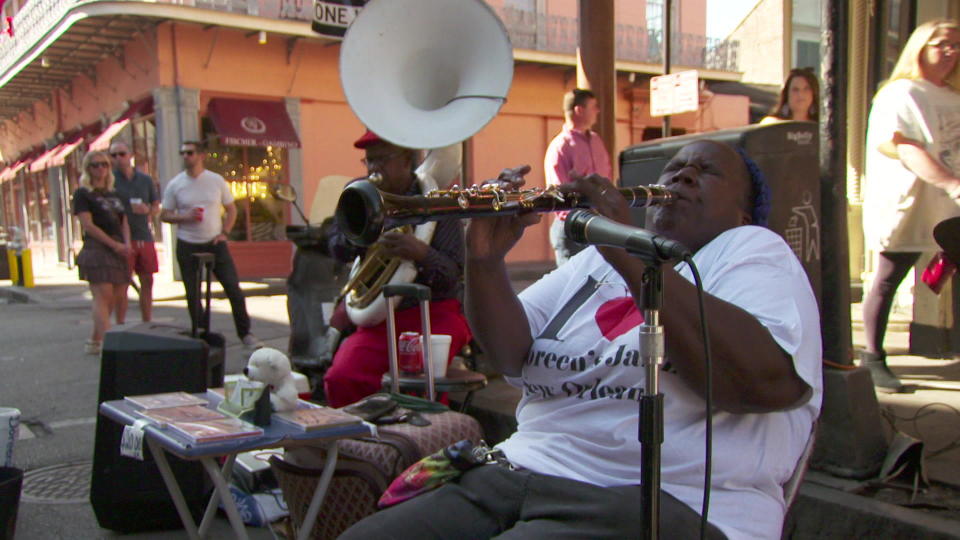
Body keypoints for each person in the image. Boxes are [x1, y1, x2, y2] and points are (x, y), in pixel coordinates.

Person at [340, 140, 822, 540]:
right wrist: (483, 261)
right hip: (520, 470)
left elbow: (763, 384)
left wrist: (626, 253)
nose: (682, 178)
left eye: (706, 172)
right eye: (675, 169)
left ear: (743, 213)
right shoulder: (596, 261)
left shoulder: (750, 250)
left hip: (662, 498)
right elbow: (511, 352)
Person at [322, 130, 472, 408]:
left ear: (406, 159)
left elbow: (453, 275)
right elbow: (336, 247)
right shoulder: (360, 193)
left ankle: (417, 442)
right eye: (369, 161)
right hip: (382, 318)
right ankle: (359, 445)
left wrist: (421, 253)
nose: (374, 169)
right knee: (341, 377)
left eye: (382, 159)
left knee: (417, 387)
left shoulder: (437, 200)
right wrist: (361, 234)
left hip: (434, 314)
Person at [861, 19, 960, 392]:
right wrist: (951, 183)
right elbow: (903, 146)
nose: (951, 52)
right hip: (913, 205)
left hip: (950, 208)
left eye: (957, 45)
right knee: (889, 278)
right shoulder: (899, 94)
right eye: (942, 44)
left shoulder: (954, 95)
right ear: (920, 47)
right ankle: (872, 358)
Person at [160, 140, 264, 349]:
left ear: (201, 155)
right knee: (193, 292)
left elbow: (232, 209)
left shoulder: (215, 181)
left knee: (233, 289)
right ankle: (200, 335)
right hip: (187, 243)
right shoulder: (176, 184)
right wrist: (184, 217)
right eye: (183, 153)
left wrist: (225, 232)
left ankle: (246, 334)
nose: (186, 156)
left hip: (215, 242)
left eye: (190, 152)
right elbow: (164, 215)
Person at [72, 150, 131, 356]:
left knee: (116, 296)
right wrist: (114, 246)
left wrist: (126, 245)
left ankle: (94, 339)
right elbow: (88, 225)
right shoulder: (83, 194)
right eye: (95, 165)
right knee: (102, 294)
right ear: (87, 169)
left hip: (118, 247)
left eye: (104, 164)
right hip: (97, 248)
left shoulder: (115, 194)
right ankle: (108, 344)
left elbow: (123, 222)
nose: (101, 169)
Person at [544, 88, 613, 265]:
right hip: (573, 228)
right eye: (594, 106)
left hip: (599, 224)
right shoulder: (560, 147)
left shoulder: (597, 141)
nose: (598, 111)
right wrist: (580, 221)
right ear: (579, 110)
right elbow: (558, 193)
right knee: (574, 285)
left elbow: (608, 178)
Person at [110, 140, 160, 323]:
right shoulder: (110, 180)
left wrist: (148, 210)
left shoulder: (145, 180)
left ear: (130, 156)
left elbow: (156, 206)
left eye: (121, 154)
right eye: (113, 155)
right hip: (122, 237)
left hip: (144, 235)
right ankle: (120, 324)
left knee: (147, 281)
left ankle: (147, 322)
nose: (118, 158)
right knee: (122, 283)